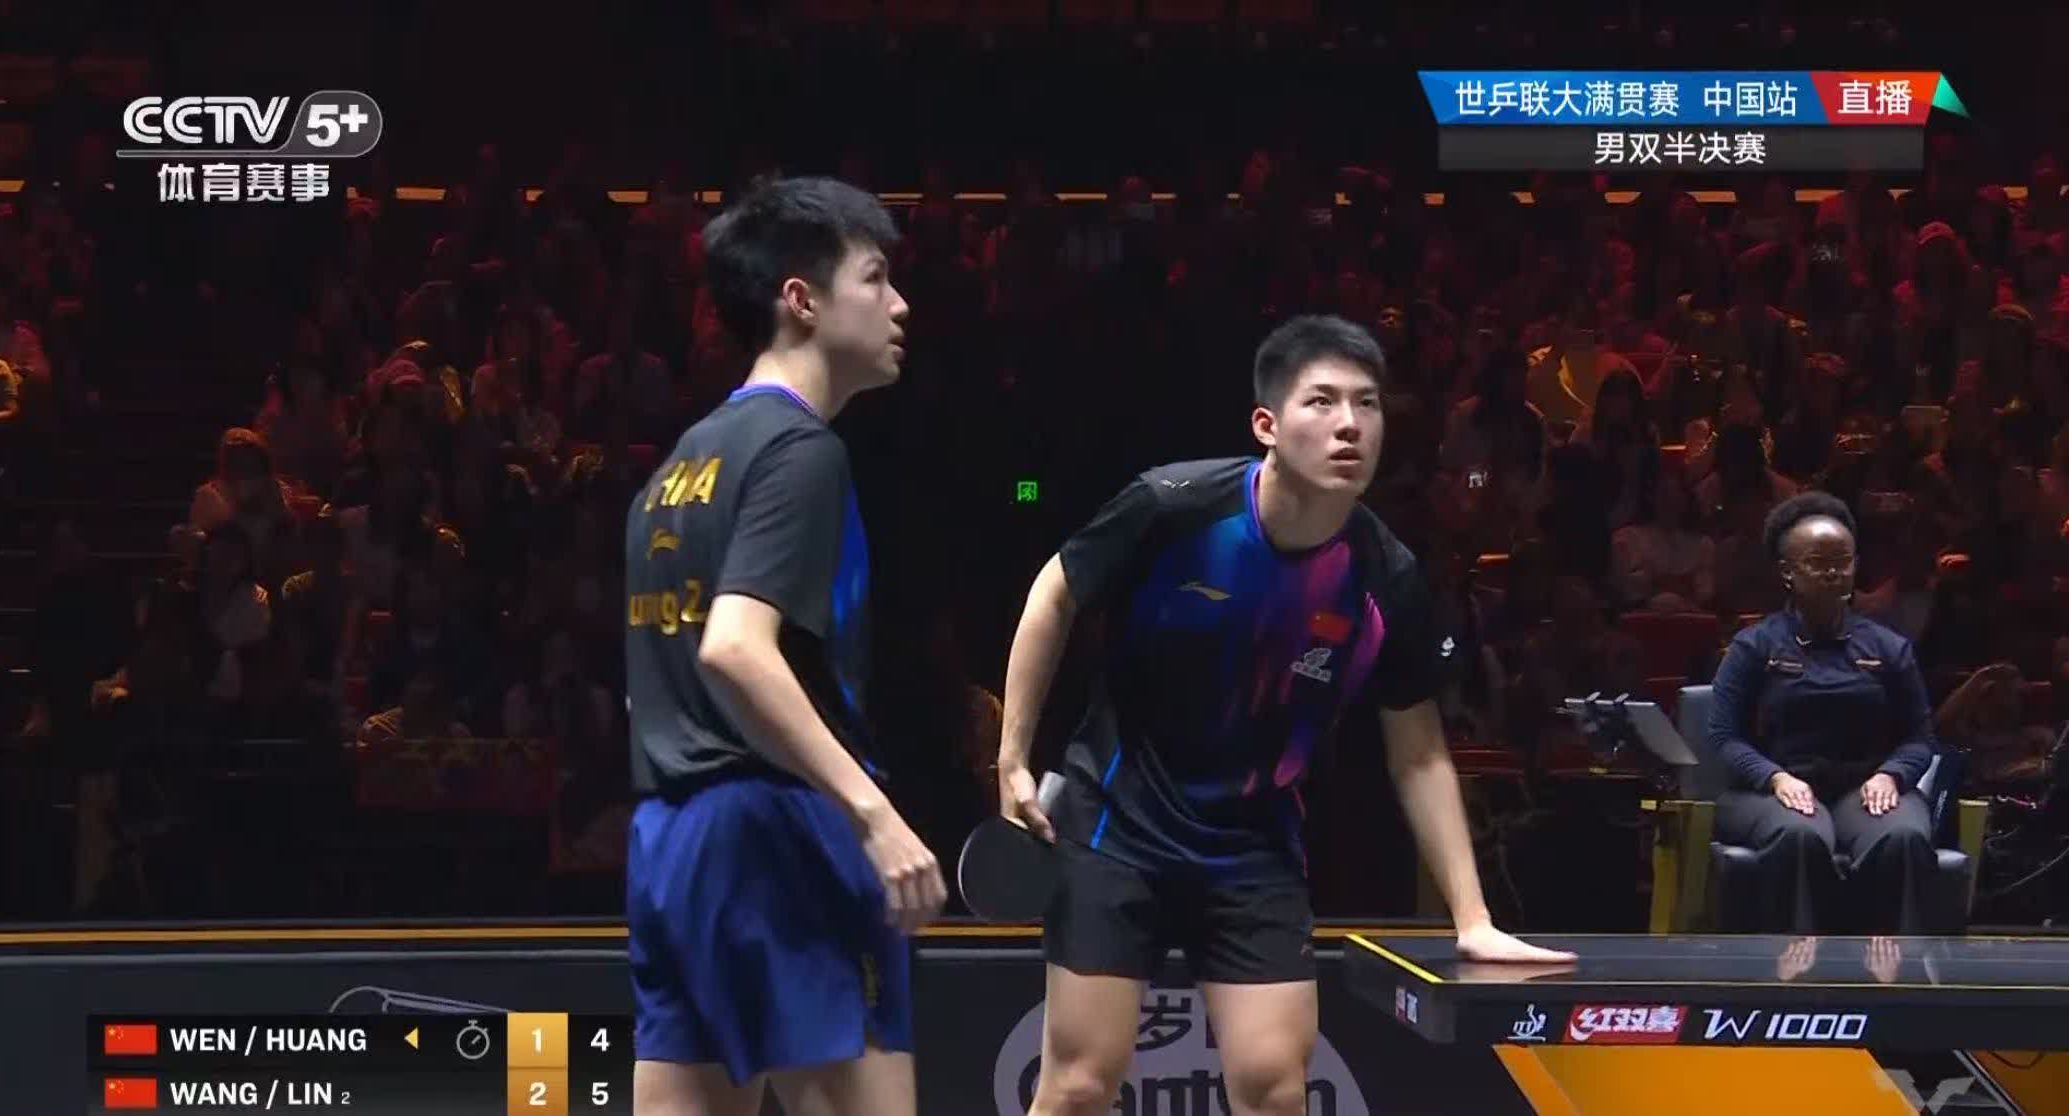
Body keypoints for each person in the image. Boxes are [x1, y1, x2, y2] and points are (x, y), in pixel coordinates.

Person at [994, 315, 1572, 1116]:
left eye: (1365, 404)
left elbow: (1417, 751)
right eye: (1322, 402)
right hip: (1115, 828)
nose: (1349, 425)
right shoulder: (1175, 506)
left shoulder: (1384, 576)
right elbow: (1054, 594)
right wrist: (1012, 758)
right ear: (1265, 424)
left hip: (1251, 847)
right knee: (1079, 1086)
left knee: (1274, 1091)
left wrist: (1470, 918)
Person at [622, 176, 940, 1116]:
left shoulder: (679, 465)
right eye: (874, 278)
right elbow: (733, 648)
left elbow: (654, 684)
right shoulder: (800, 451)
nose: (898, 304)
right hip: (781, 833)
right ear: (799, 299)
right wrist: (871, 814)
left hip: (672, 840)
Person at [1706, 491, 1940, 933]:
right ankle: (1795, 961)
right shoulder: (1754, 646)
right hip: (1775, 789)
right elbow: (1723, 735)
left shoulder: (1888, 647)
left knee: (1903, 836)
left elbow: (1920, 736)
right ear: (1787, 572)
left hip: (1864, 787)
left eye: (1842, 562)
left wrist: (1891, 775)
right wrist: (1774, 777)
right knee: (1799, 836)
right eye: (1818, 563)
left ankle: (1896, 965)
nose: (1833, 573)